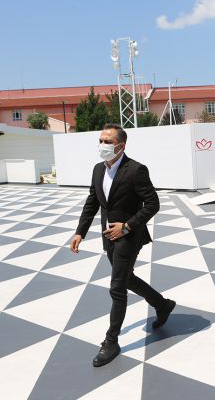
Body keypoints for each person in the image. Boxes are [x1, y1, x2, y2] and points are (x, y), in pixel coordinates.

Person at [70, 123, 176, 367]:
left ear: (121, 146)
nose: (103, 145)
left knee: (117, 287)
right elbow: (92, 202)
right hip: (108, 236)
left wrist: (127, 227)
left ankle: (111, 341)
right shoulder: (98, 169)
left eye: (108, 141)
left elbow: (153, 204)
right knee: (127, 279)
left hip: (129, 236)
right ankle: (162, 304)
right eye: (101, 140)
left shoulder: (136, 170)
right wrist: (80, 232)